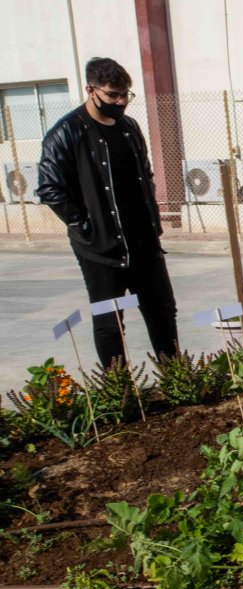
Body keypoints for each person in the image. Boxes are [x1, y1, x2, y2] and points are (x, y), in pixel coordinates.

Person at [38, 57, 179, 367]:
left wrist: (151, 221)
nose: (120, 102)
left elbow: (145, 172)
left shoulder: (129, 128)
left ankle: (176, 380)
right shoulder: (66, 133)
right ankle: (120, 390)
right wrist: (86, 227)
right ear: (91, 90)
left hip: (143, 243)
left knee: (162, 310)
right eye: (113, 95)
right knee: (109, 320)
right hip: (100, 251)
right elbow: (50, 188)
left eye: (125, 94)